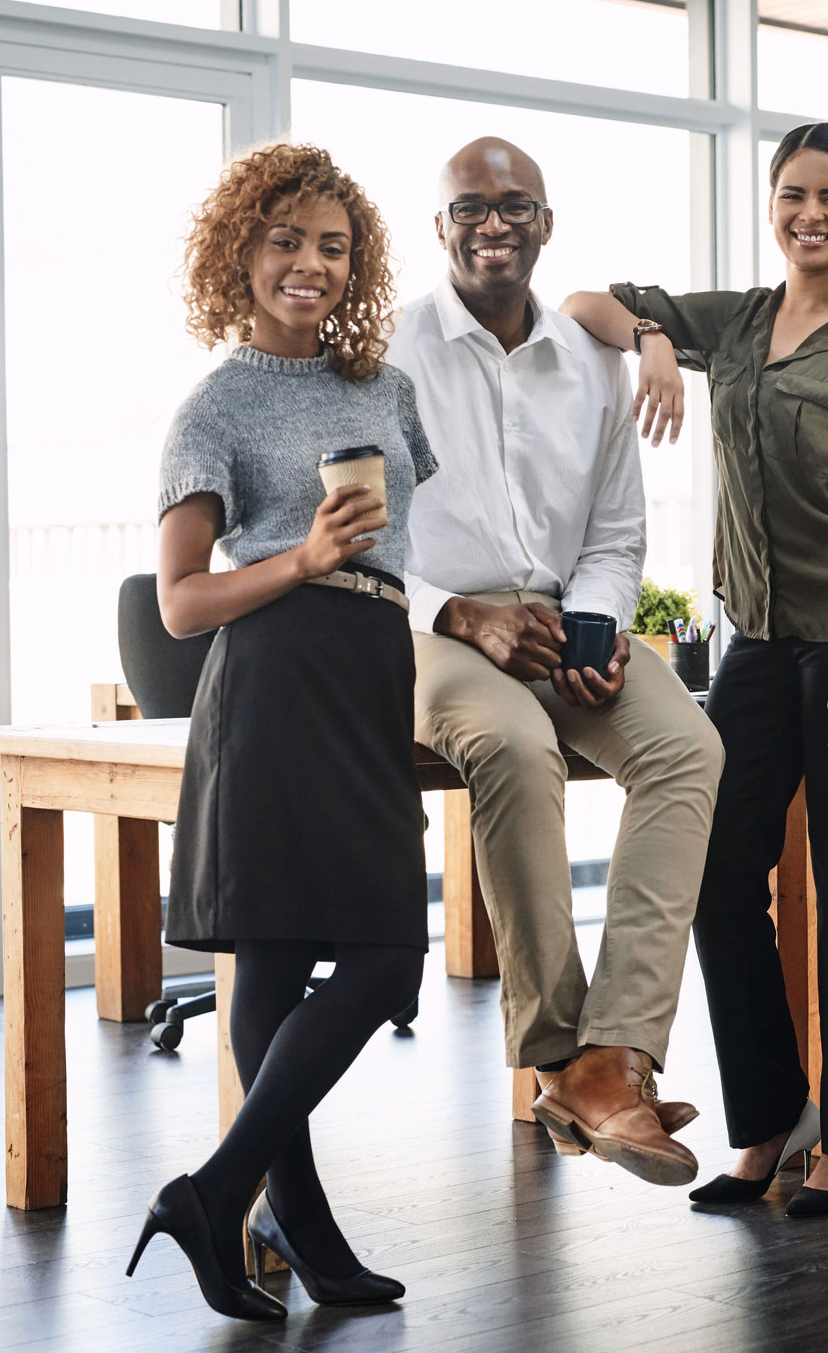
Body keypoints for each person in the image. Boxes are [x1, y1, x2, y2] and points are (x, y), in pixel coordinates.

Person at [563, 121, 828, 1218]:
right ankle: (768, 1115)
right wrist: (650, 340)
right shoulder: (737, 320)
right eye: (791, 195)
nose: (809, 215)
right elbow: (585, 300)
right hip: (760, 641)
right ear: (770, 206)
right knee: (719, 869)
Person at [130, 144, 433, 1321]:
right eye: (285, 240)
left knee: (319, 956)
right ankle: (240, 1198)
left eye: (332, 245)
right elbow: (179, 601)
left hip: (369, 665)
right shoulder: (215, 406)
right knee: (366, 954)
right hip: (273, 672)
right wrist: (301, 556)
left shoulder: (385, 389)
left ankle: (271, 1214)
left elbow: (406, 541)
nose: (309, 263)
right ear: (239, 253)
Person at [393, 137, 723, 1188]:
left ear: (546, 224)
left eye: (516, 206)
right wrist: (463, 615)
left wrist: (593, 624)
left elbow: (618, 530)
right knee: (511, 744)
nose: (494, 223)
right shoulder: (389, 355)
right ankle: (553, 1050)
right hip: (425, 626)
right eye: (470, 207)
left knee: (686, 747)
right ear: (440, 226)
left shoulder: (592, 360)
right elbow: (357, 541)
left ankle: (612, 1053)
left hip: (556, 617)